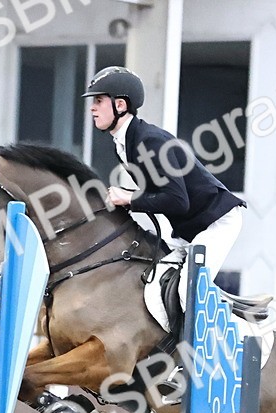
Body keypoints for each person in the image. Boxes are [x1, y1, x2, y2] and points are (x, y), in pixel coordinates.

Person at [83, 66, 246, 291]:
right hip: (188, 228)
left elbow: (177, 201)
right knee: (153, 283)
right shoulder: (124, 144)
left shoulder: (149, 141)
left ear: (120, 105)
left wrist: (130, 198)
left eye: (99, 101)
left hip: (215, 222)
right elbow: (158, 193)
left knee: (185, 291)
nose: (92, 107)